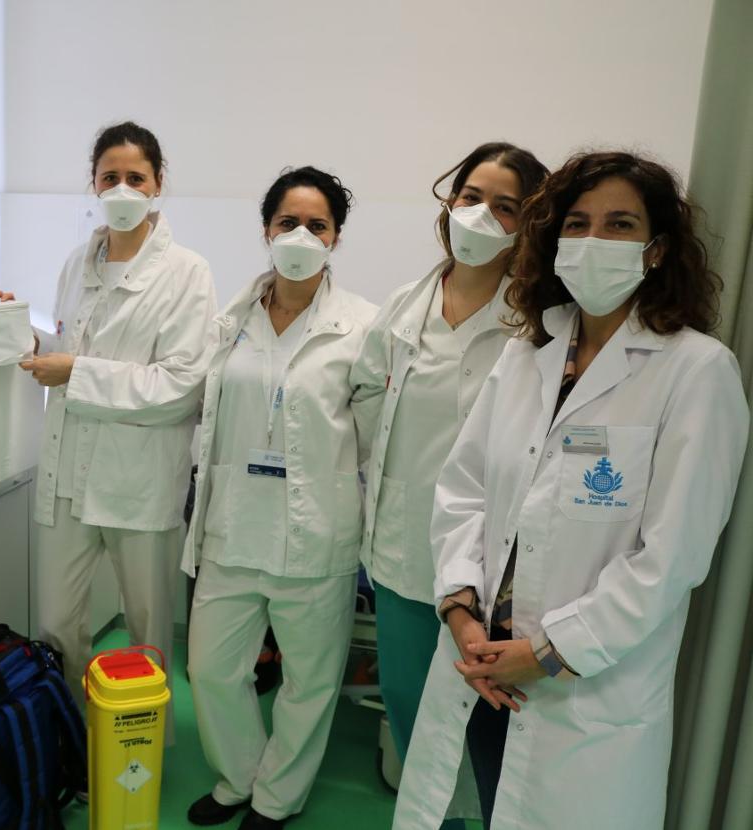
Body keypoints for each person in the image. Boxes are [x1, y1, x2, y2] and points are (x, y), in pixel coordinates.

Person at [392, 151, 749, 830]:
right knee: (481, 806)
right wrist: (461, 612)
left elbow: (671, 558)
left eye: (620, 225)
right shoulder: (527, 354)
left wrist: (548, 653)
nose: (593, 240)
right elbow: (464, 490)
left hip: (581, 685)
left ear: (656, 249)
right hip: (482, 664)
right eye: (577, 224)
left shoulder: (697, 372)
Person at [350, 142, 548, 826]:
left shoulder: (539, 323)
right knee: (414, 717)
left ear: (529, 224)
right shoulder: (405, 307)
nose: (481, 216)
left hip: (495, 570)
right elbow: (363, 400)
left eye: (505, 206)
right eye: (471, 197)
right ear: (449, 202)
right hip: (405, 556)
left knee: (489, 733)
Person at [183, 166, 378, 830]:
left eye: (316, 225)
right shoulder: (231, 319)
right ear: (266, 230)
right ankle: (239, 776)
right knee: (212, 669)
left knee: (309, 681)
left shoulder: (363, 326)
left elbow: (373, 436)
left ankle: (277, 797)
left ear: (336, 237)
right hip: (233, 525)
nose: (301, 235)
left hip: (315, 531)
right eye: (287, 222)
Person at [0, 121, 216, 709]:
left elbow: (181, 385)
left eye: (135, 178)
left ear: (158, 183)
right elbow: (72, 346)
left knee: (148, 628)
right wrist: (25, 335)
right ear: (93, 183)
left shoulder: (187, 272)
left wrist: (75, 371)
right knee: (56, 624)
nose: (122, 189)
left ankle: (141, 742)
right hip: (69, 474)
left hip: (138, 481)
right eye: (109, 177)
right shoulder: (79, 262)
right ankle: (71, 736)